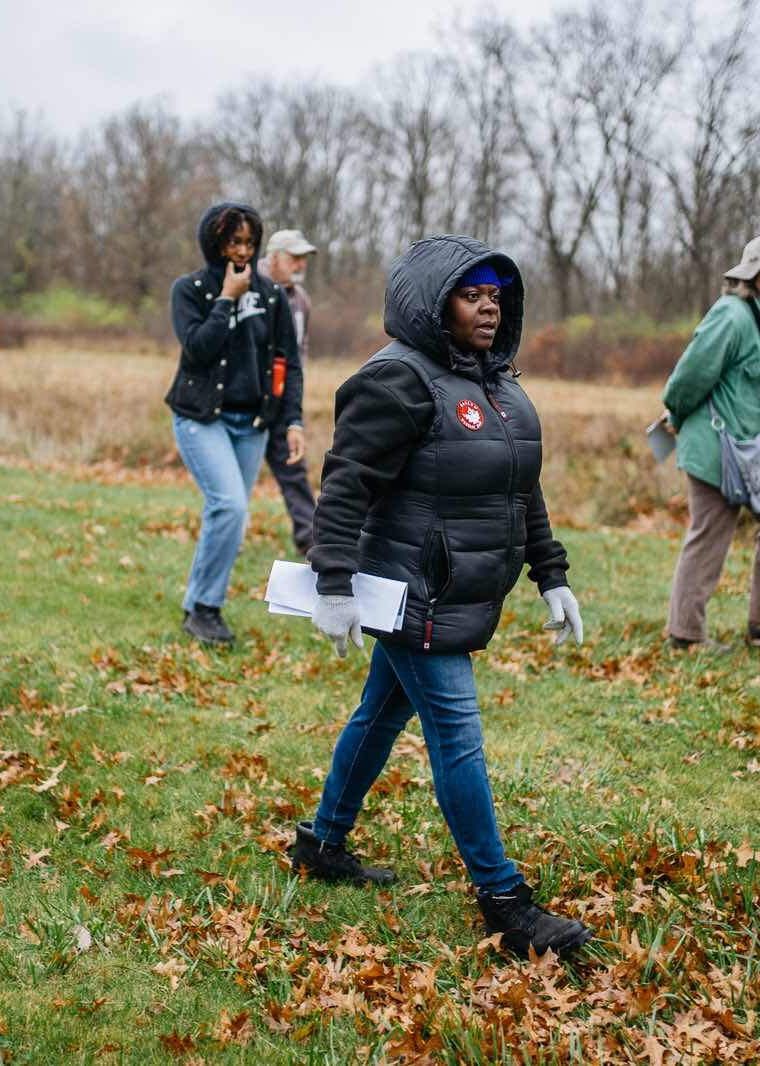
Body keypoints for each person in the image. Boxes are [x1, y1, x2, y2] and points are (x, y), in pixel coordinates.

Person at [290, 235, 593, 959]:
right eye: (470, 295)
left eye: (495, 296)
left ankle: (321, 842)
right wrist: (333, 583)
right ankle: (503, 899)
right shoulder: (394, 380)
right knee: (456, 735)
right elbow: (345, 485)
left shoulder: (499, 385)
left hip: (457, 590)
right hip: (412, 590)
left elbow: (521, 488)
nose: (488, 308)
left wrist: (550, 573)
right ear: (433, 303)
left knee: (379, 714)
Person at [660, 233, 760, 653]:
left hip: (757, 449)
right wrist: (674, 417)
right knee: (711, 533)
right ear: (753, 272)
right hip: (715, 447)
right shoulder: (731, 316)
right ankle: (685, 635)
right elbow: (685, 381)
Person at [165, 202, 300, 645]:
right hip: (201, 418)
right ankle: (205, 608)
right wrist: (227, 299)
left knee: (229, 517)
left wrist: (293, 420)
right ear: (214, 243)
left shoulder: (272, 295)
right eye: (232, 242)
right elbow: (198, 349)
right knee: (231, 506)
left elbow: (288, 361)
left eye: (248, 242)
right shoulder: (190, 290)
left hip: (253, 422)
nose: (241, 252)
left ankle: (198, 604)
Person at [257, 229, 316, 555]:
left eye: (303, 257)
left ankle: (309, 537)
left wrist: (294, 398)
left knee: (294, 468)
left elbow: (300, 351)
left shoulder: (301, 300)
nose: (300, 263)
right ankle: (228, 536)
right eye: (294, 256)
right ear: (274, 256)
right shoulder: (251, 287)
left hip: (283, 397)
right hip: (250, 398)